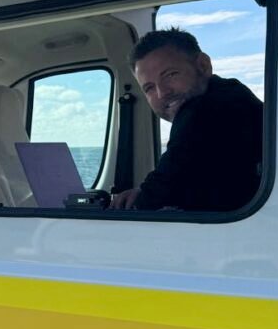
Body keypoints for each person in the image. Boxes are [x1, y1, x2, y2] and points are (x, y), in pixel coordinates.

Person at [111, 27, 263, 212]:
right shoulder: (231, 94)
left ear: (203, 66)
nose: (162, 92)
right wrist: (142, 193)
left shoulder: (205, 109)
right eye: (149, 87)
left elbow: (162, 188)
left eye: (171, 75)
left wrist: (141, 198)